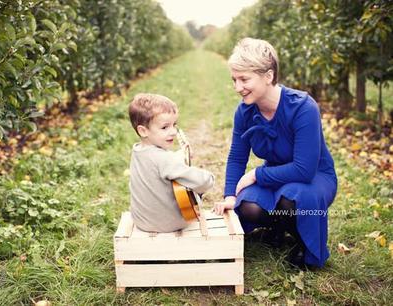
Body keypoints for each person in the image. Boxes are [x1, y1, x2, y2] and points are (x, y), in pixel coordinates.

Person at [212, 38, 337, 269]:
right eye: (234, 80)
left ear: (268, 76)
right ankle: (279, 227)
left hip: (314, 176)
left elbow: (304, 169)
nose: (237, 87)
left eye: (244, 79)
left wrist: (256, 175)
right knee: (248, 206)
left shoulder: (303, 107)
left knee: (292, 199)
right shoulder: (244, 111)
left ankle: (303, 243)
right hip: (277, 173)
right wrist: (230, 195)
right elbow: (237, 157)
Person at [128, 93, 215, 232]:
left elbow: (160, 165)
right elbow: (202, 181)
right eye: (164, 127)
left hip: (143, 221)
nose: (173, 131)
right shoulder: (165, 159)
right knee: (191, 189)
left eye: (174, 125)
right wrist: (210, 178)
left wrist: (180, 156)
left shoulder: (138, 151)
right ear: (143, 131)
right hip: (169, 224)